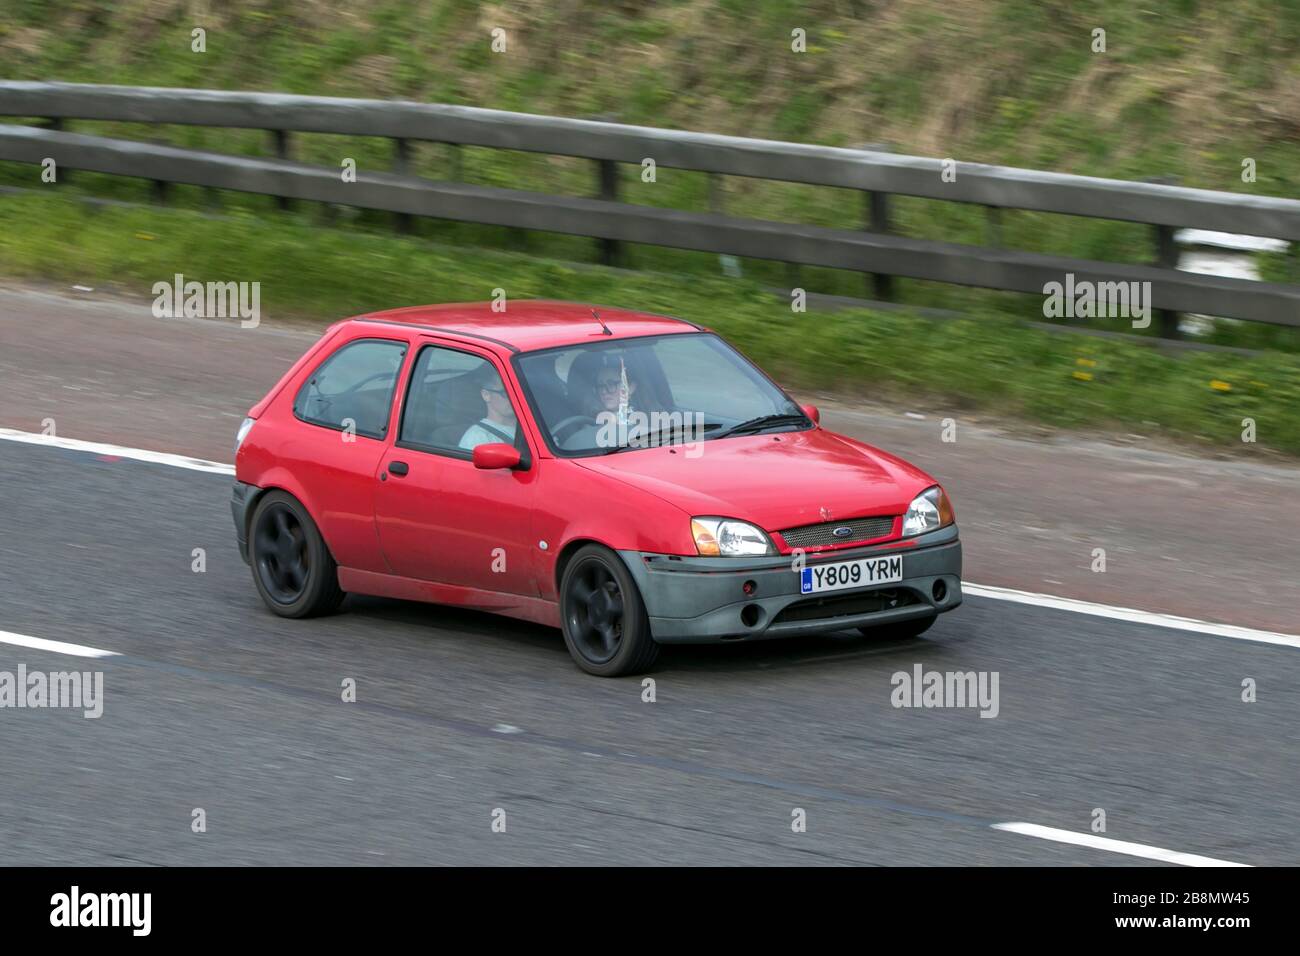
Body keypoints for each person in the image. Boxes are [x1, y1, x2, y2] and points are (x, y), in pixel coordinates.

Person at [459, 367, 517, 450]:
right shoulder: (478, 437)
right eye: (505, 393)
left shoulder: (531, 426)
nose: (513, 397)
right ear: (486, 395)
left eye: (516, 392)